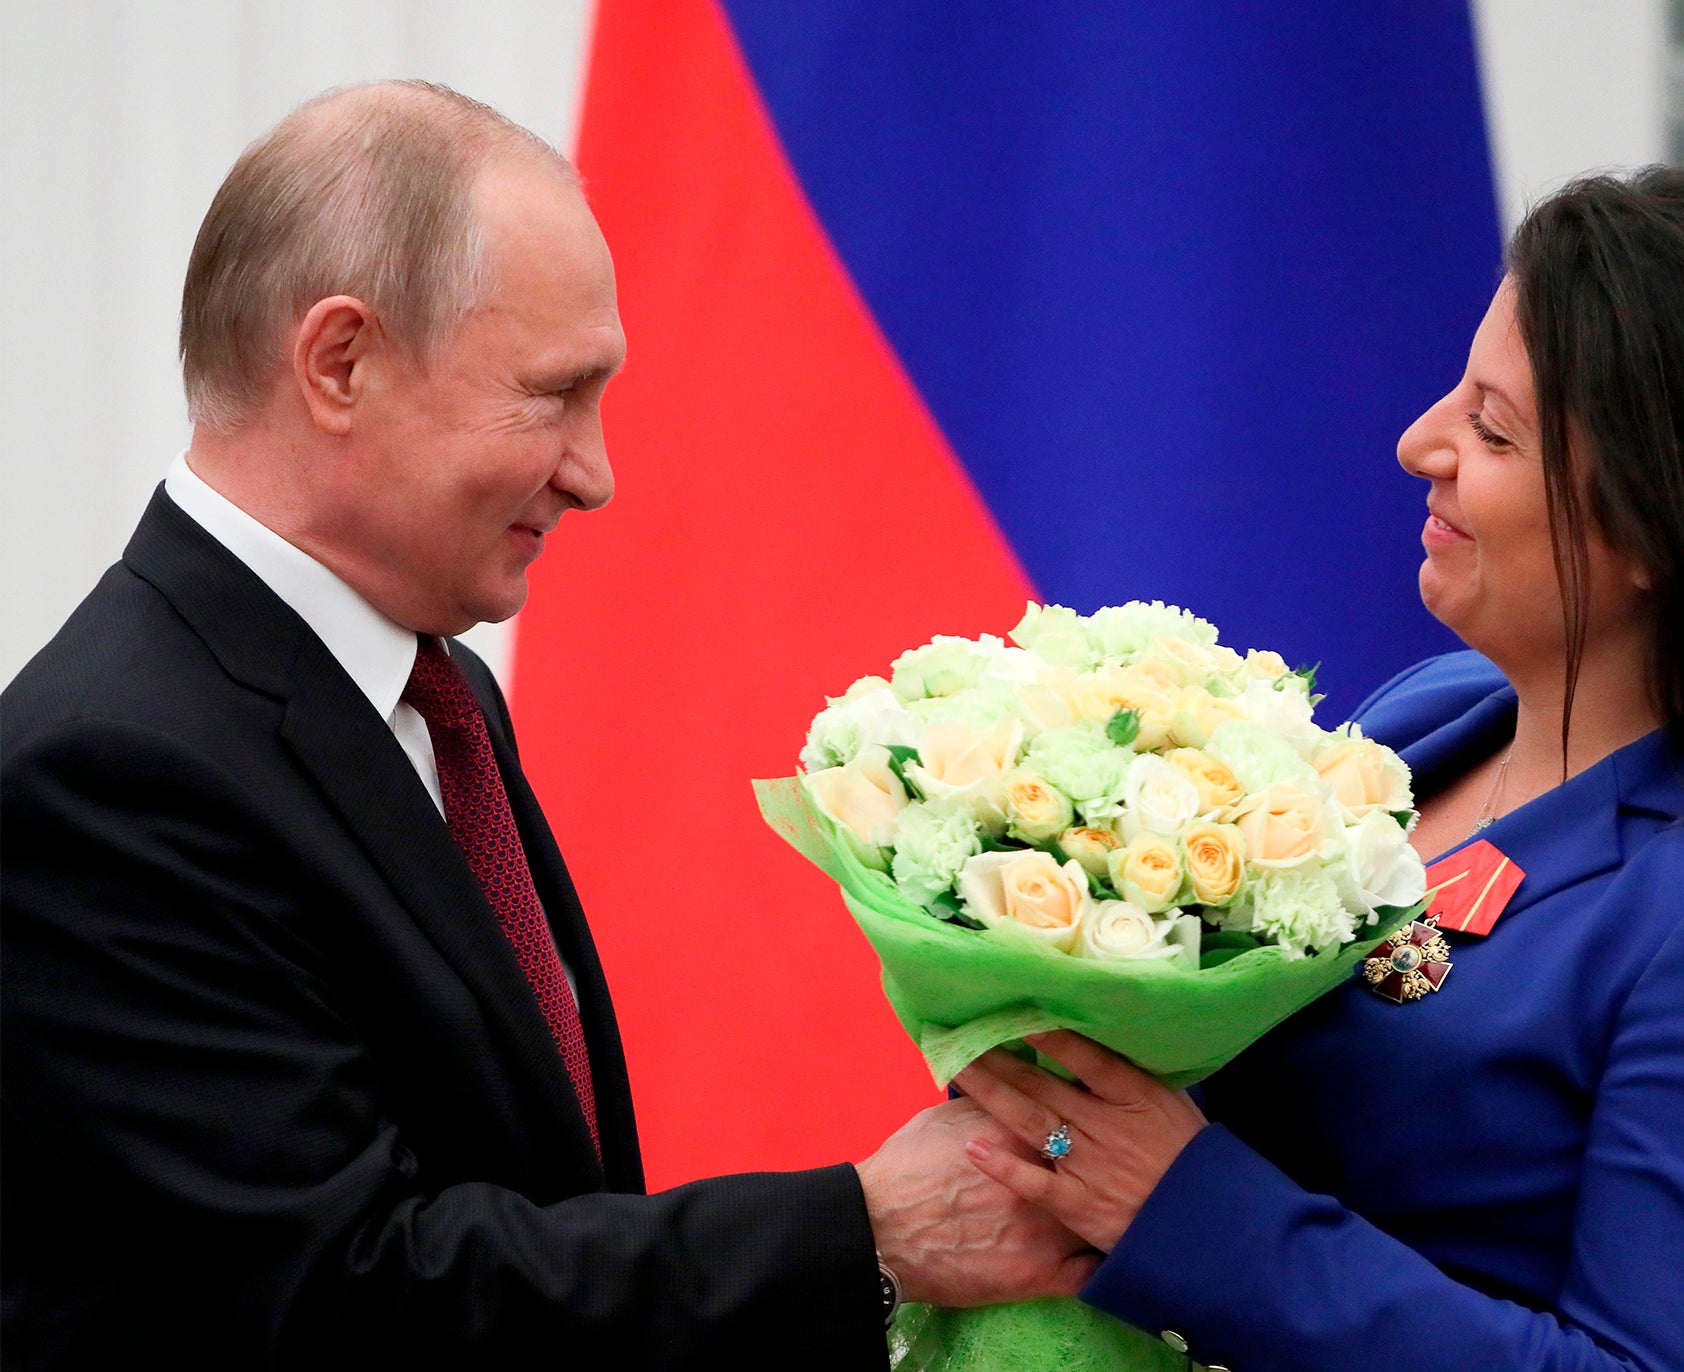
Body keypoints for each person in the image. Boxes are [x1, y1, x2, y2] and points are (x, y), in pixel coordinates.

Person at [0, 82, 1092, 1369]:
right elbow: (348, 1298)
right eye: (551, 394)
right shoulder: (106, 771)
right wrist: (858, 1232)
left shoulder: (438, 692)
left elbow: (531, 1196)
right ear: (338, 362)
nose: (594, 472)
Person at [954, 167, 1684, 1371]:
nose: (1417, 443)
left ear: (1668, 524)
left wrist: (1182, 1212)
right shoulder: (1431, 716)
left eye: (1493, 429)